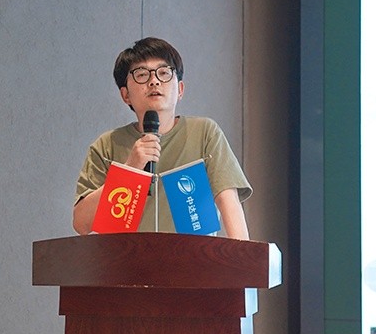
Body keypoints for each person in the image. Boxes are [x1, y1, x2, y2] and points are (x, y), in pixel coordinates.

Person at [72, 37, 251, 239]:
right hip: (127, 258)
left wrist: (245, 257)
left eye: (164, 73)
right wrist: (129, 169)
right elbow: (81, 223)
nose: (154, 81)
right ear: (125, 95)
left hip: (193, 258)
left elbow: (228, 201)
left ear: (180, 90)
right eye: (141, 74)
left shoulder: (204, 133)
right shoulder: (107, 145)